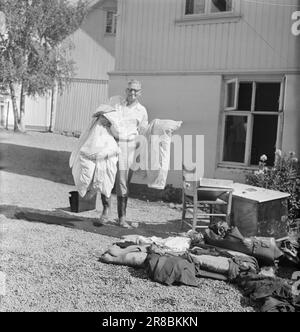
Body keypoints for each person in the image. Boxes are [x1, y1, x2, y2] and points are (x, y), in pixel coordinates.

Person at [95, 80, 148, 228]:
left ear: (140, 93)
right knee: (106, 175)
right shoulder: (116, 103)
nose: (132, 93)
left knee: (122, 182)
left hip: (128, 147)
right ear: (126, 90)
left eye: (136, 91)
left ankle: (122, 218)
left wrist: (139, 154)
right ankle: (105, 212)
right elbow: (105, 117)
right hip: (111, 142)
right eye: (130, 90)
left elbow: (142, 133)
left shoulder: (142, 111)